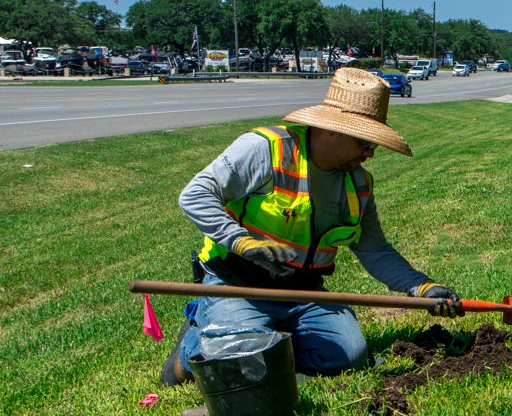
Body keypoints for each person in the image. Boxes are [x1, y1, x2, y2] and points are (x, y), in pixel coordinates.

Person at [161, 67, 462, 386]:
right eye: (364, 142)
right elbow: (195, 195)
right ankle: (193, 347)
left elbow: (374, 249)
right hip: (238, 283)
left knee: (349, 356)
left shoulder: (358, 185)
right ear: (333, 129)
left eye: (372, 145)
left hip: (302, 290)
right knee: (244, 364)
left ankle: (265, 341)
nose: (369, 154)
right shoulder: (268, 149)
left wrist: (422, 287)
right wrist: (242, 242)